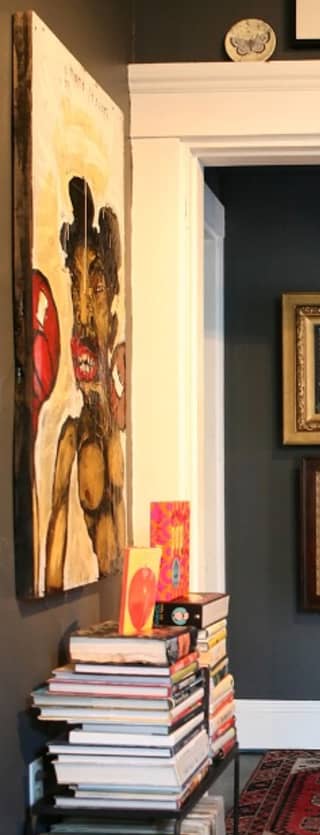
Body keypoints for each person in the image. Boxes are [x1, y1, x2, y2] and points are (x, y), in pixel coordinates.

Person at [44, 176, 126, 591]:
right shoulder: (72, 437)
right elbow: (52, 570)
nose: (80, 308)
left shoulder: (118, 432)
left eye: (93, 286)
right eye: (75, 284)